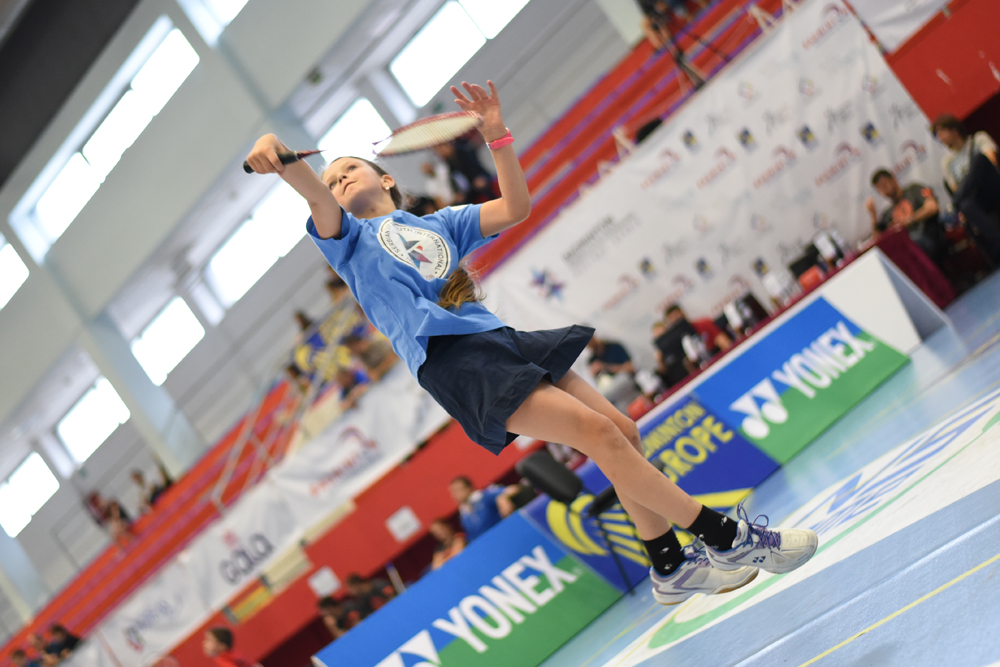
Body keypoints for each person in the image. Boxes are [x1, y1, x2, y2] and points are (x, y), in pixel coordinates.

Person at [244, 78, 816, 606]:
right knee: (597, 435)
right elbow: (311, 194)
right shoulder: (347, 242)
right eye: (332, 179)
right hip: (454, 362)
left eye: (348, 169)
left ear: (387, 178)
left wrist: (497, 136)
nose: (338, 180)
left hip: (498, 339)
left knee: (622, 431)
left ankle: (669, 566)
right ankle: (728, 537)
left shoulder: (438, 224)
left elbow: (516, 208)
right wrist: (276, 150)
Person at [865, 169, 946, 266]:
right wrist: (873, 216)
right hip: (905, 249)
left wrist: (909, 220)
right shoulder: (887, 214)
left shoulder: (914, 189)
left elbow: (933, 207)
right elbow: (878, 240)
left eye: (885, 184)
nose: (884, 190)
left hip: (928, 237)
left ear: (893, 179)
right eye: (880, 189)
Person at [932, 114, 998, 194]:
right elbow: (956, 190)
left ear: (954, 130)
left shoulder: (979, 139)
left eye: (942, 132)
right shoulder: (946, 162)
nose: (941, 138)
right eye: (938, 135)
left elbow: (992, 162)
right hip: (973, 196)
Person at [448, 475, 519, 543]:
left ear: (469, 488)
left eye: (458, 490)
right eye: (453, 492)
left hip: (504, 536)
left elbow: (513, 489)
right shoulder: (464, 516)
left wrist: (502, 497)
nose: (455, 495)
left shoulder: (484, 497)